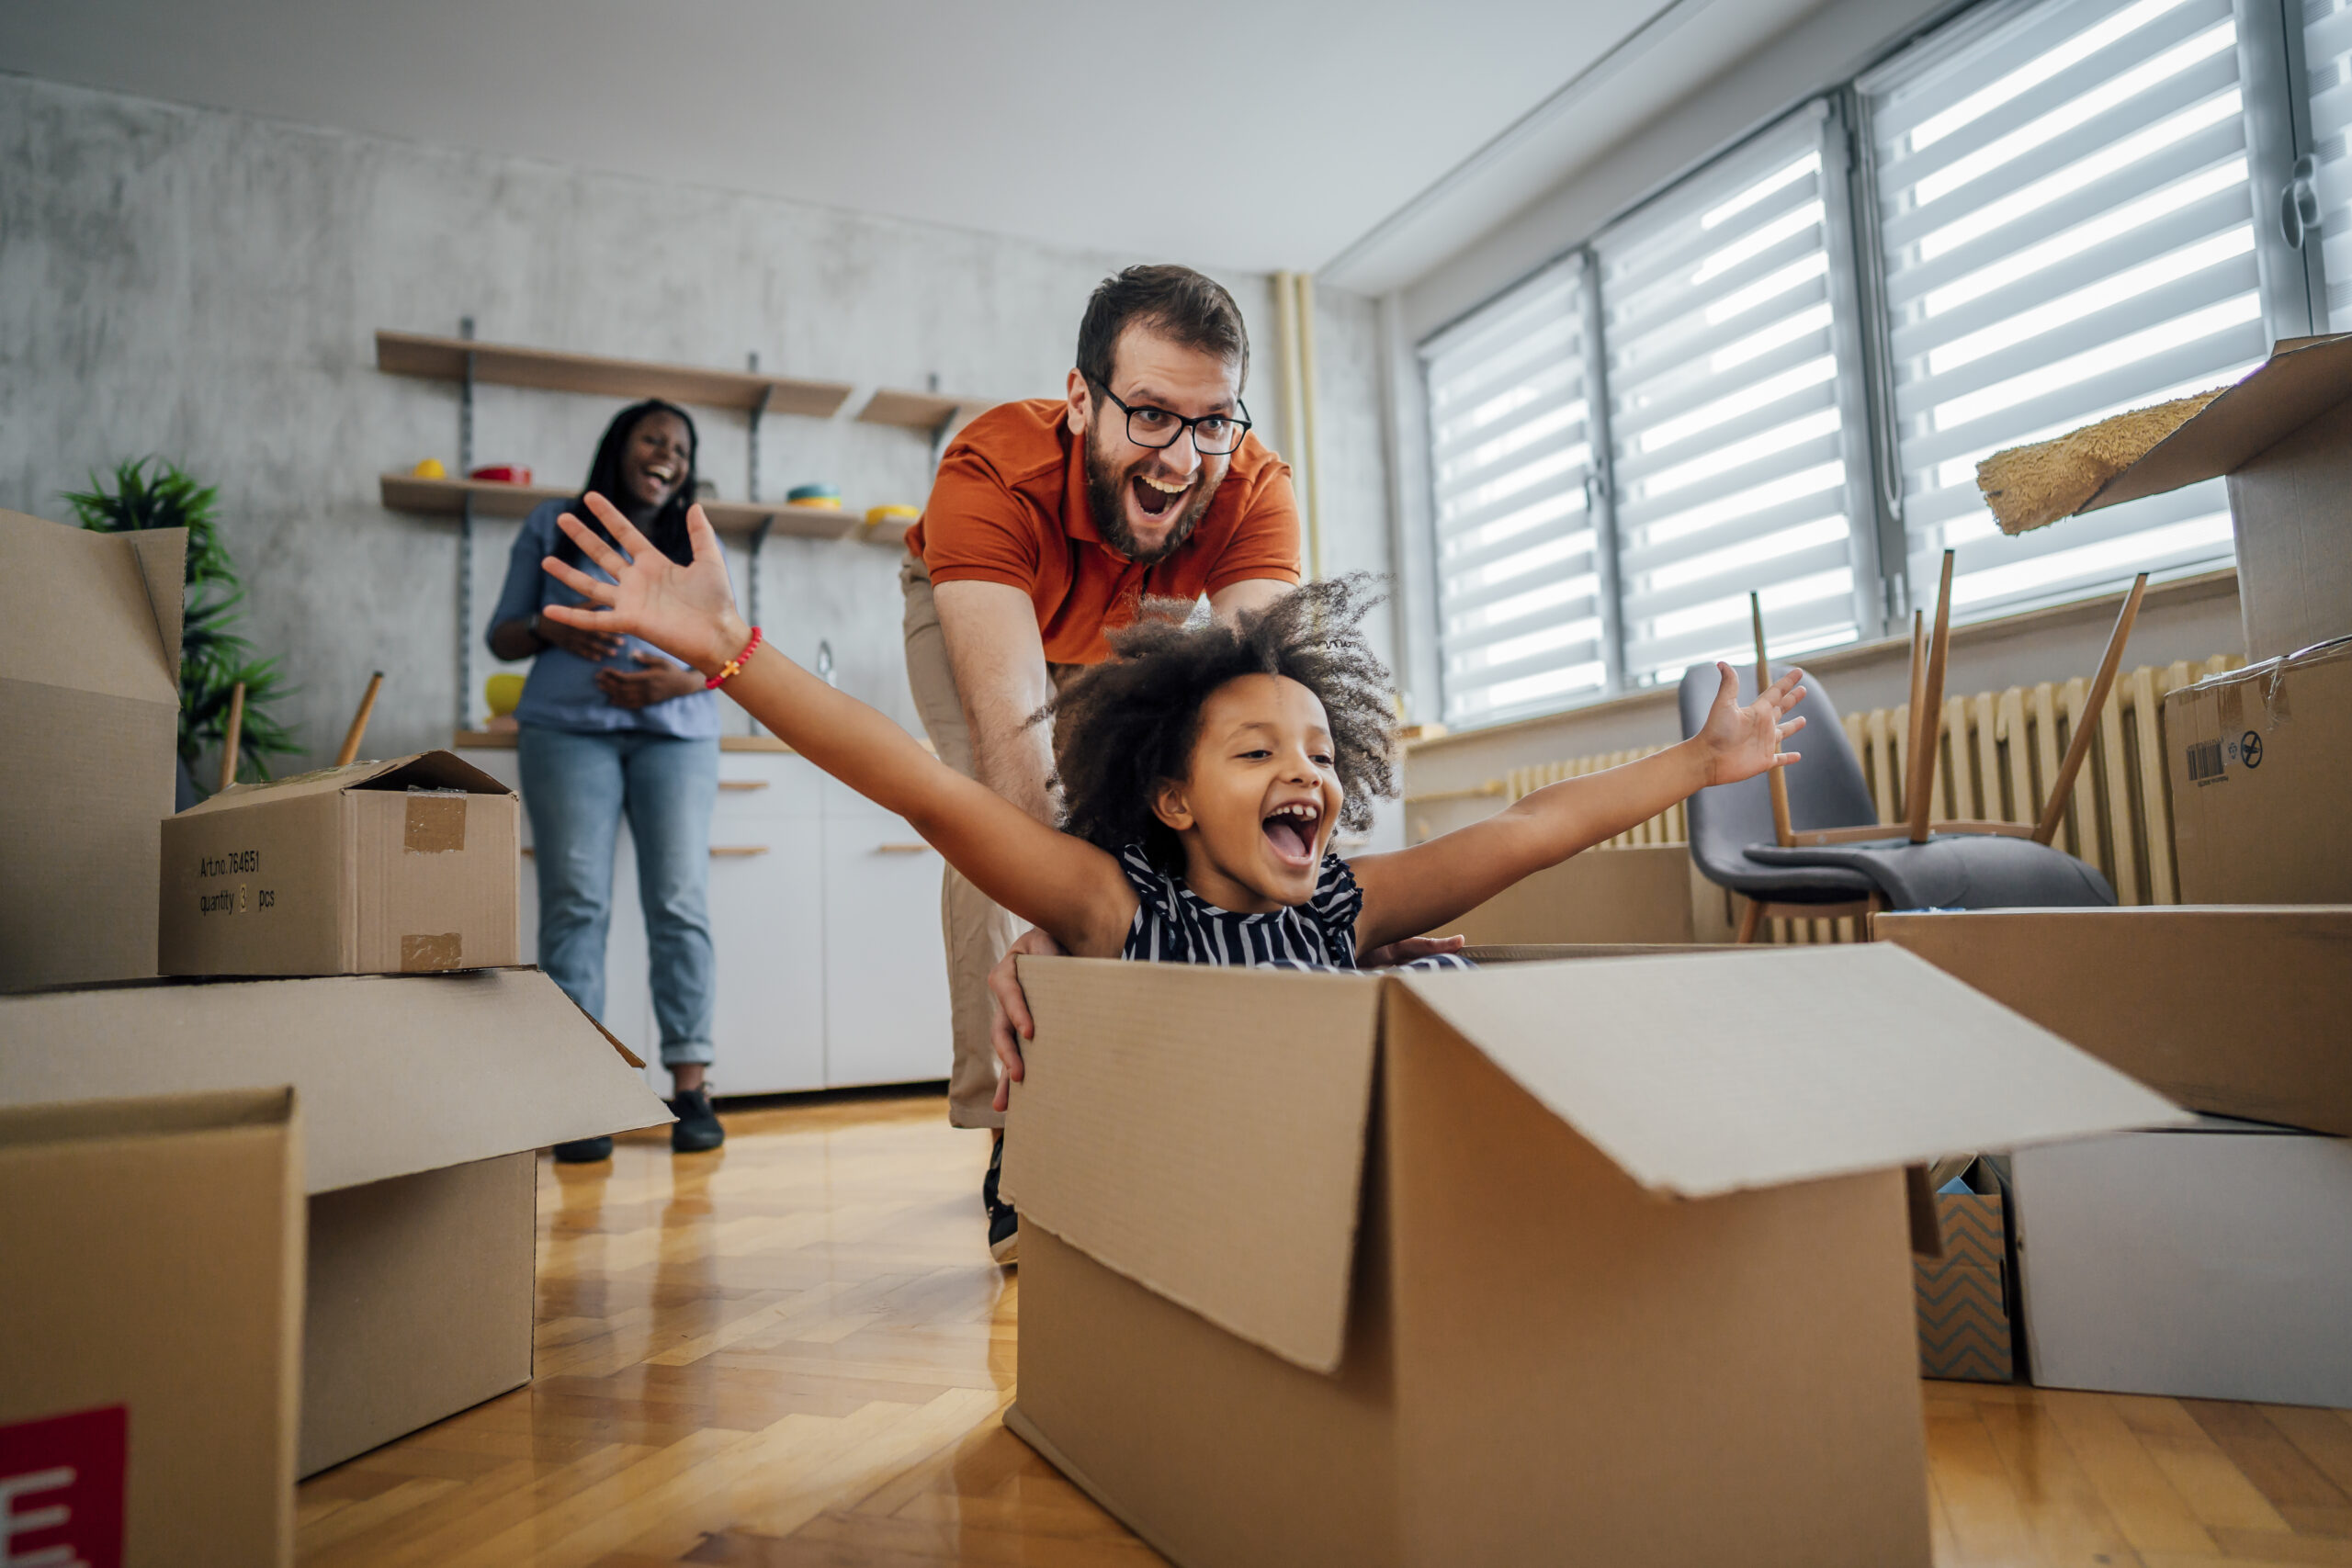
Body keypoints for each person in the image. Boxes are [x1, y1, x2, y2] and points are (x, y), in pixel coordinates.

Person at [537, 496, 1808, 1163]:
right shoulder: (1115, 909)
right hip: (1205, 1192)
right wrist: (729, 649)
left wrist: (1701, 760)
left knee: (1444, 976)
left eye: (1318, 750)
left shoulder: (1338, 906)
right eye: (1255, 750)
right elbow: (925, 790)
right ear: (1173, 795)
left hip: (1370, 1180)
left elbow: (1531, 828)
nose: (1301, 769)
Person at [900, 264, 1304, 1261]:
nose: (1183, 455)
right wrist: (1059, 921)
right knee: (995, 832)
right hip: (988, 610)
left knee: (1160, 813)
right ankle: (1015, 1136)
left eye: (1213, 420)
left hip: (1130, 618)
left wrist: (1316, 916)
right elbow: (1015, 752)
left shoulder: (1249, 485)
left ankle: (1150, 1095)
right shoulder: (989, 474)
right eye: (1152, 415)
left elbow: (1270, 727)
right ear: (1081, 400)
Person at [486, 400, 726, 1160]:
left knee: (679, 902)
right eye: (654, 438)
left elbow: (732, 654)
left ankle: (690, 1088)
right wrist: (549, 626)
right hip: (567, 730)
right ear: (620, 446)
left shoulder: (692, 539)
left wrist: (676, 684)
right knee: (576, 906)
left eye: (681, 446)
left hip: (674, 734)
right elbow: (502, 633)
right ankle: (579, 1094)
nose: (668, 454)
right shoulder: (554, 522)